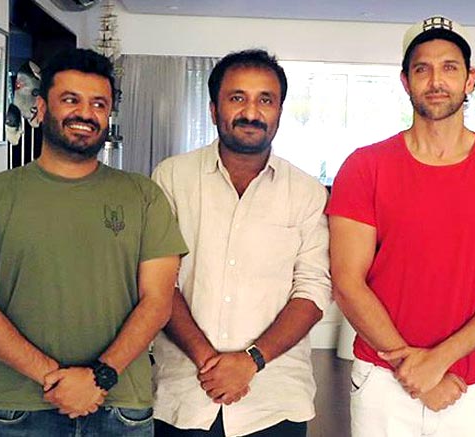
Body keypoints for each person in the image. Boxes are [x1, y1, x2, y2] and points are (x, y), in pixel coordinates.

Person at [0, 48, 188, 436]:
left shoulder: (143, 196)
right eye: (71, 100)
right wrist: (56, 379)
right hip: (22, 408)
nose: (85, 113)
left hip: (121, 406)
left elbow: (157, 301)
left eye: (98, 104)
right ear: (41, 108)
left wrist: (99, 377)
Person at [327, 16, 475, 437]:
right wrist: (413, 370)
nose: (436, 81)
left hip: (470, 384)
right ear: (405, 81)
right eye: (422, 69)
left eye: (449, 68)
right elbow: (348, 282)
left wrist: (438, 361)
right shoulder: (365, 167)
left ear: (470, 79)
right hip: (382, 379)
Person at [151, 49, 331, 437]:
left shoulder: (307, 193)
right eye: (237, 98)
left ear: (279, 112)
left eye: (265, 100)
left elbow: (313, 290)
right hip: (184, 394)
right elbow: (159, 281)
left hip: (273, 400)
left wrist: (251, 361)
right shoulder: (172, 178)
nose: (251, 112)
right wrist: (209, 361)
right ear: (213, 110)